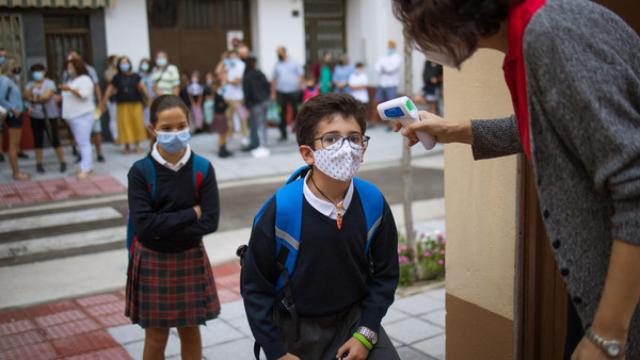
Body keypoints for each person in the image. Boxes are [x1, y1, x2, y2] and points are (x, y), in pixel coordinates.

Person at [392, 0, 640, 358]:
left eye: (415, 21)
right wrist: (455, 130)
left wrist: (607, 335)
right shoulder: (530, 38)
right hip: (595, 283)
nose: (417, 37)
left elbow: (635, 185)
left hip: (624, 297)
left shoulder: (552, 33)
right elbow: (551, 128)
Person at [241, 93, 400, 360]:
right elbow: (255, 287)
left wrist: (366, 332)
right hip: (296, 327)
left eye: (354, 138)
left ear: (363, 146)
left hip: (354, 319)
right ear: (308, 153)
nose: (346, 147)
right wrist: (276, 351)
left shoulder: (373, 201)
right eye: (331, 139)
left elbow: (385, 275)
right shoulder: (281, 210)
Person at [126, 95, 221, 360]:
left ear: (190, 124)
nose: (175, 133)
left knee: (191, 331)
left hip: (189, 257)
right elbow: (144, 227)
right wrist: (192, 212)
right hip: (153, 259)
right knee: (156, 336)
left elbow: (211, 221)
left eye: (181, 126)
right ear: (152, 129)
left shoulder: (202, 168)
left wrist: (163, 223)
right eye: (167, 129)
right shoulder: (140, 172)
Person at [101, 56, 150, 154]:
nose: (124, 65)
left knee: (136, 123)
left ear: (129, 64)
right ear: (119, 65)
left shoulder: (135, 76)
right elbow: (109, 89)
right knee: (124, 124)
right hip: (122, 105)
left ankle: (137, 145)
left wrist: (148, 98)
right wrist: (104, 101)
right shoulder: (117, 77)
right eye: (122, 63)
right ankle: (126, 145)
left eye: (126, 62)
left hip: (136, 104)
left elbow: (143, 88)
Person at [64, 49, 105, 163]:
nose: (72, 60)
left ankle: (99, 153)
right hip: (74, 108)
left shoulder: (89, 70)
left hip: (90, 106)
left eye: (74, 57)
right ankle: (81, 154)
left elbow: (96, 86)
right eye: (70, 58)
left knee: (96, 130)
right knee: (78, 133)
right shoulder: (67, 72)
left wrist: (100, 102)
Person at [24, 64, 67, 173]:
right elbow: (25, 96)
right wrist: (34, 93)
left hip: (50, 115)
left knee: (55, 139)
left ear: (44, 72)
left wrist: (34, 98)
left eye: (39, 71)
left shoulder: (50, 83)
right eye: (34, 72)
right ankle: (39, 163)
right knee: (38, 140)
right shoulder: (30, 84)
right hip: (36, 116)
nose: (37, 74)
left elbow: (45, 97)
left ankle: (62, 161)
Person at [60, 58, 96, 179]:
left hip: (83, 116)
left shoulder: (85, 79)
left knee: (84, 143)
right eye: (68, 67)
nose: (69, 70)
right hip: (73, 116)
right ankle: (85, 166)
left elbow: (84, 95)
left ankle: (86, 168)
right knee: (81, 143)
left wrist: (69, 89)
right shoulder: (72, 80)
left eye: (71, 67)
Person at [0, 57, 29, 180]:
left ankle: (16, 172)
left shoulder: (12, 80)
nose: (17, 67)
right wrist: (13, 109)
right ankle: (16, 173)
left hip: (18, 113)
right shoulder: (5, 80)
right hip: (13, 115)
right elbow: (0, 98)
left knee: (15, 144)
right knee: (13, 145)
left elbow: (18, 97)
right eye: (15, 65)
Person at [271, 46, 304, 141]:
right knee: (281, 112)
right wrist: (273, 93)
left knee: (297, 113)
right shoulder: (277, 64)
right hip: (281, 92)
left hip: (294, 91)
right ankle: (283, 133)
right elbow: (273, 79)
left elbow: (301, 75)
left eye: (279, 53)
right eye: (277, 53)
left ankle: (299, 133)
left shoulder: (294, 62)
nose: (278, 55)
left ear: (284, 52)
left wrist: (301, 86)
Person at [242, 56, 271, 157]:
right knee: (261, 124)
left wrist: (247, 104)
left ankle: (261, 146)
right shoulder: (259, 73)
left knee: (256, 124)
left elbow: (247, 91)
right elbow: (267, 85)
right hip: (263, 101)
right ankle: (260, 144)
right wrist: (267, 96)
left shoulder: (247, 75)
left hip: (254, 103)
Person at [222, 50, 249, 145]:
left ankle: (245, 136)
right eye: (230, 56)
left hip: (238, 96)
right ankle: (229, 135)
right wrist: (223, 60)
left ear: (237, 55)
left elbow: (237, 81)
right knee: (228, 116)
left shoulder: (241, 65)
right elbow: (222, 76)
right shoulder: (228, 64)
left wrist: (228, 81)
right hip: (228, 96)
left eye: (233, 55)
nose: (231, 57)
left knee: (242, 116)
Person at [374, 40, 402, 106]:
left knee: (392, 104)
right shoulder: (383, 56)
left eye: (391, 46)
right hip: (381, 83)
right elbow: (377, 68)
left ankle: (391, 116)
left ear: (394, 47)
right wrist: (384, 68)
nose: (390, 47)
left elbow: (391, 69)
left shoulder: (397, 57)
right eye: (389, 45)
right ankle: (375, 116)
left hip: (391, 85)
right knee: (376, 101)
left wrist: (383, 68)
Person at [210, 79, 231, 158]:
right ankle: (222, 150)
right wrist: (225, 104)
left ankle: (223, 149)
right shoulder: (218, 94)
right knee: (222, 133)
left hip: (220, 114)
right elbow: (222, 105)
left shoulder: (218, 93)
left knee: (223, 133)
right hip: (220, 115)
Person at [104, 55, 119, 141]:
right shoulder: (108, 72)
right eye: (114, 61)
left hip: (121, 97)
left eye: (117, 61)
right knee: (113, 118)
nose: (116, 62)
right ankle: (115, 137)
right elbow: (112, 82)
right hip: (112, 97)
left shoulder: (120, 71)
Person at [138, 58, 155, 126]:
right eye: (143, 64)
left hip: (153, 97)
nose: (144, 65)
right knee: (145, 118)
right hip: (142, 99)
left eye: (146, 64)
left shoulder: (153, 74)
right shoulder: (138, 75)